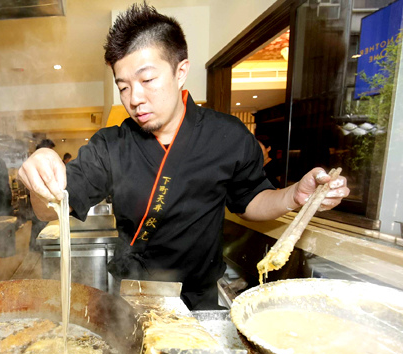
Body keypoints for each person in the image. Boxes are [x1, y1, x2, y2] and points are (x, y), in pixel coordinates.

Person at [18, 4, 350, 309]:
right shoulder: (110, 144)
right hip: (135, 296)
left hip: (199, 298)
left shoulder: (227, 135)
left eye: (147, 79)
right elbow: (50, 208)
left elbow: (251, 202)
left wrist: (295, 195)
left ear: (180, 71)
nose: (135, 99)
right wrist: (40, 181)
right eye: (123, 86)